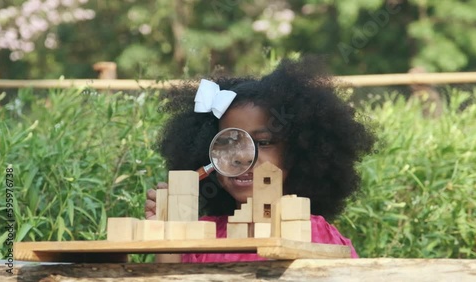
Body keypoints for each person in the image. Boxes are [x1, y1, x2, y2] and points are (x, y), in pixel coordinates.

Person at [145, 57, 376, 262]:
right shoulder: (203, 236)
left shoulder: (314, 233)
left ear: (298, 153)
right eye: (228, 142)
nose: (242, 157)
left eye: (264, 142)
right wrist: (167, 231)